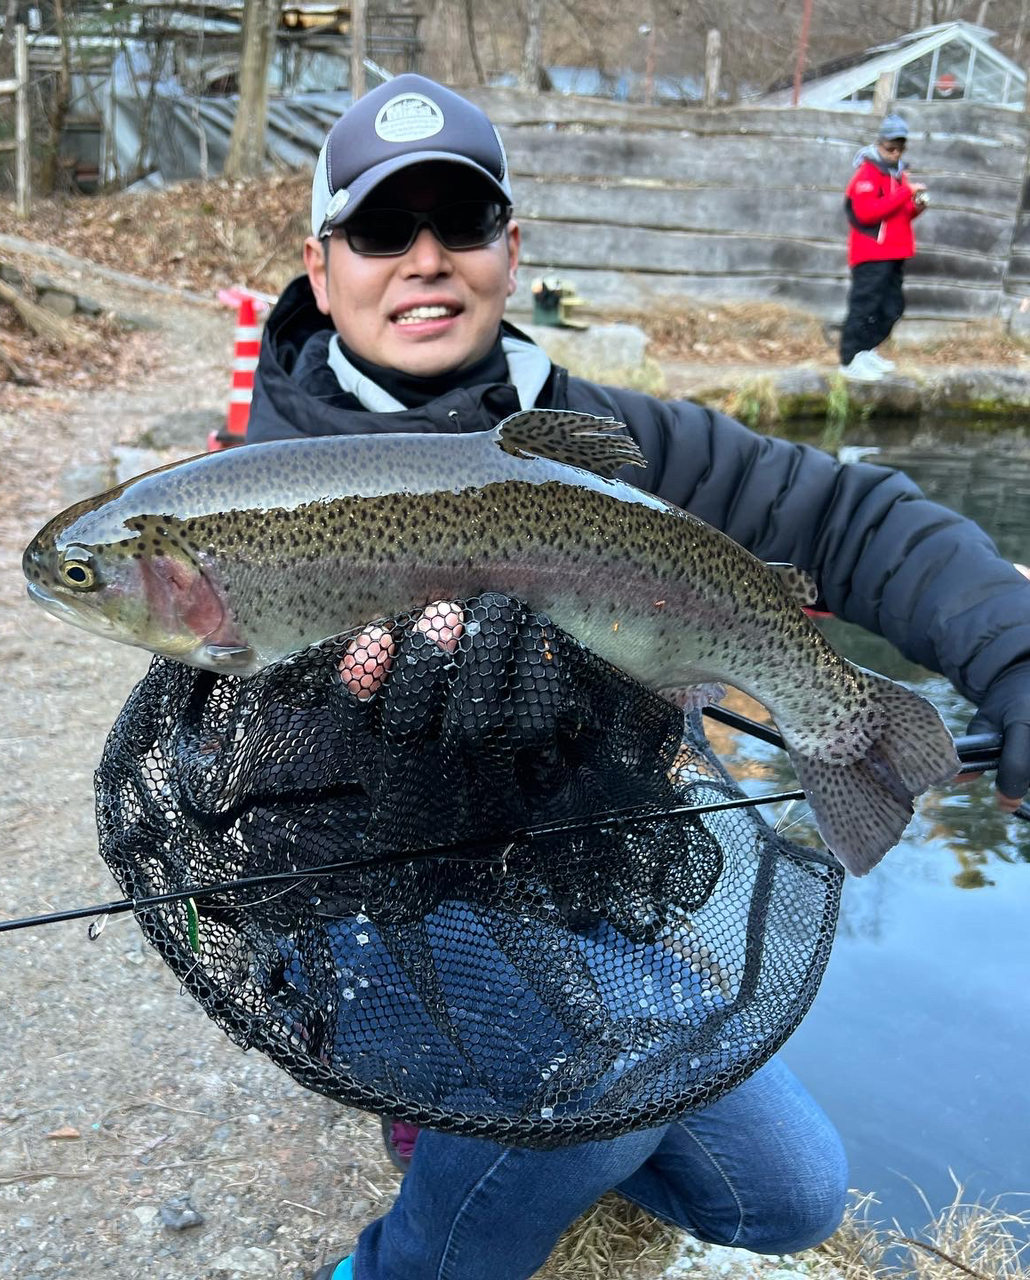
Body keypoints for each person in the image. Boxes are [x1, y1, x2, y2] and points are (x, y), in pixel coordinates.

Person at [242, 74, 1030, 1280]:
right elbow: (237, 773)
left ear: (510, 246)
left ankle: (506, 1124)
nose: (424, 260)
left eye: (459, 223)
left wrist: (1015, 656)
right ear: (320, 259)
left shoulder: (607, 444)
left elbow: (853, 515)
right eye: (380, 230)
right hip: (364, 917)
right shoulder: (253, 498)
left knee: (792, 1198)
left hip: (568, 899)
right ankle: (405, 1247)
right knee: (608, 1067)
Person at [838, 112, 927, 382]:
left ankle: (866, 351)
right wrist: (904, 192)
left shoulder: (897, 175)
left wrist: (916, 206)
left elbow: (899, 216)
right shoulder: (866, 174)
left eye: (900, 148)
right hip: (871, 254)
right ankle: (849, 359)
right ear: (879, 144)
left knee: (891, 307)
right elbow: (866, 214)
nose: (895, 153)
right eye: (890, 147)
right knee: (864, 306)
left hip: (895, 251)